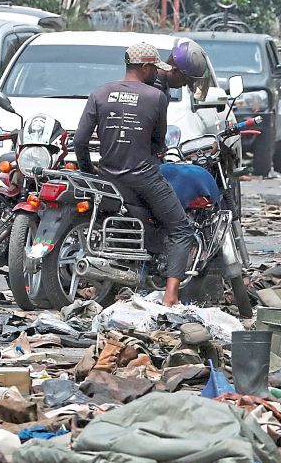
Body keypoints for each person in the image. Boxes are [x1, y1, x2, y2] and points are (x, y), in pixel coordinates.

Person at [73, 42, 192, 307]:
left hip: (108, 178)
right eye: (155, 69)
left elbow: (80, 141)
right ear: (147, 67)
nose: (156, 74)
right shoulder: (156, 97)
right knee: (181, 229)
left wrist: (89, 173)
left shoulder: (100, 93)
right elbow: (158, 143)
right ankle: (171, 296)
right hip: (144, 177)